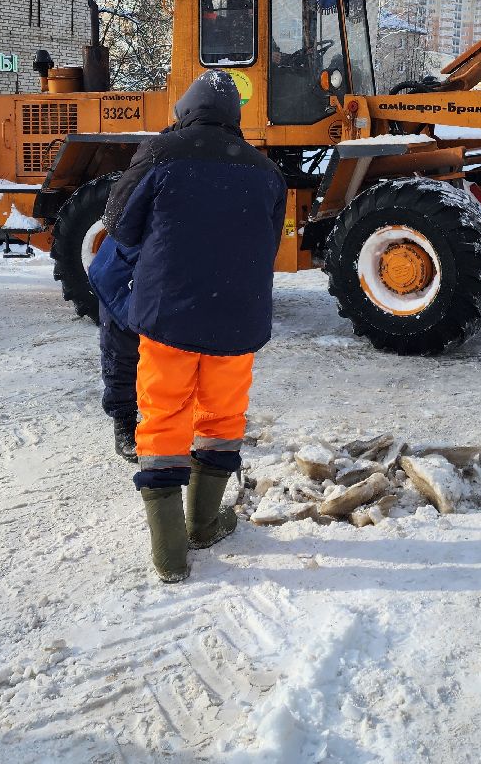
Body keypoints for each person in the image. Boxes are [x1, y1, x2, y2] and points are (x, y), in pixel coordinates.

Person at [103, 70, 287, 582]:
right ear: (234, 117)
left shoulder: (161, 153)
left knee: (164, 416)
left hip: (169, 316)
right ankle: (203, 524)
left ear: (185, 109)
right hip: (237, 321)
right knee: (222, 420)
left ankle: (170, 553)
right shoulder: (266, 171)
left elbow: (119, 225)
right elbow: (268, 244)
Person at [87, 237, 141, 462]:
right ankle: (124, 422)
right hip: (122, 273)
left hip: (174, 266)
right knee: (121, 348)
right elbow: (116, 221)